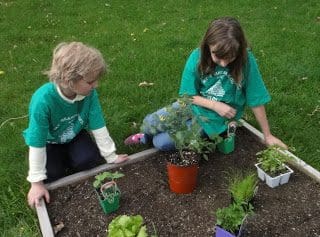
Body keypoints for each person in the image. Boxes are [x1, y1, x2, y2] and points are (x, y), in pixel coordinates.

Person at [124, 17, 287, 151]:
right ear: (208, 46)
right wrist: (215, 104)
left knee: (161, 143)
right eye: (218, 57)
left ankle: (159, 135)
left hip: (216, 119)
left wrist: (267, 135)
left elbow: (256, 98)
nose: (223, 64)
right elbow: (187, 96)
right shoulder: (197, 57)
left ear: (240, 50)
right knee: (148, 124)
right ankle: (146, 135)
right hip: (194, 104)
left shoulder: (246, 61)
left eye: (230, 58)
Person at [24, 42, 128, 208]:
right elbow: (37, 140)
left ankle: (71, 157)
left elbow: (97, 123)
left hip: (74, 133)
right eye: (90, 81)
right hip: (50, 141)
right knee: (52, 175)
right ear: (68, 80)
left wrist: (110, 156)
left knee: (88, 160)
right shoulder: (43, 100)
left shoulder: (89, 94)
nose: (95, 85)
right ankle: (60, 161)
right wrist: (36, 183)